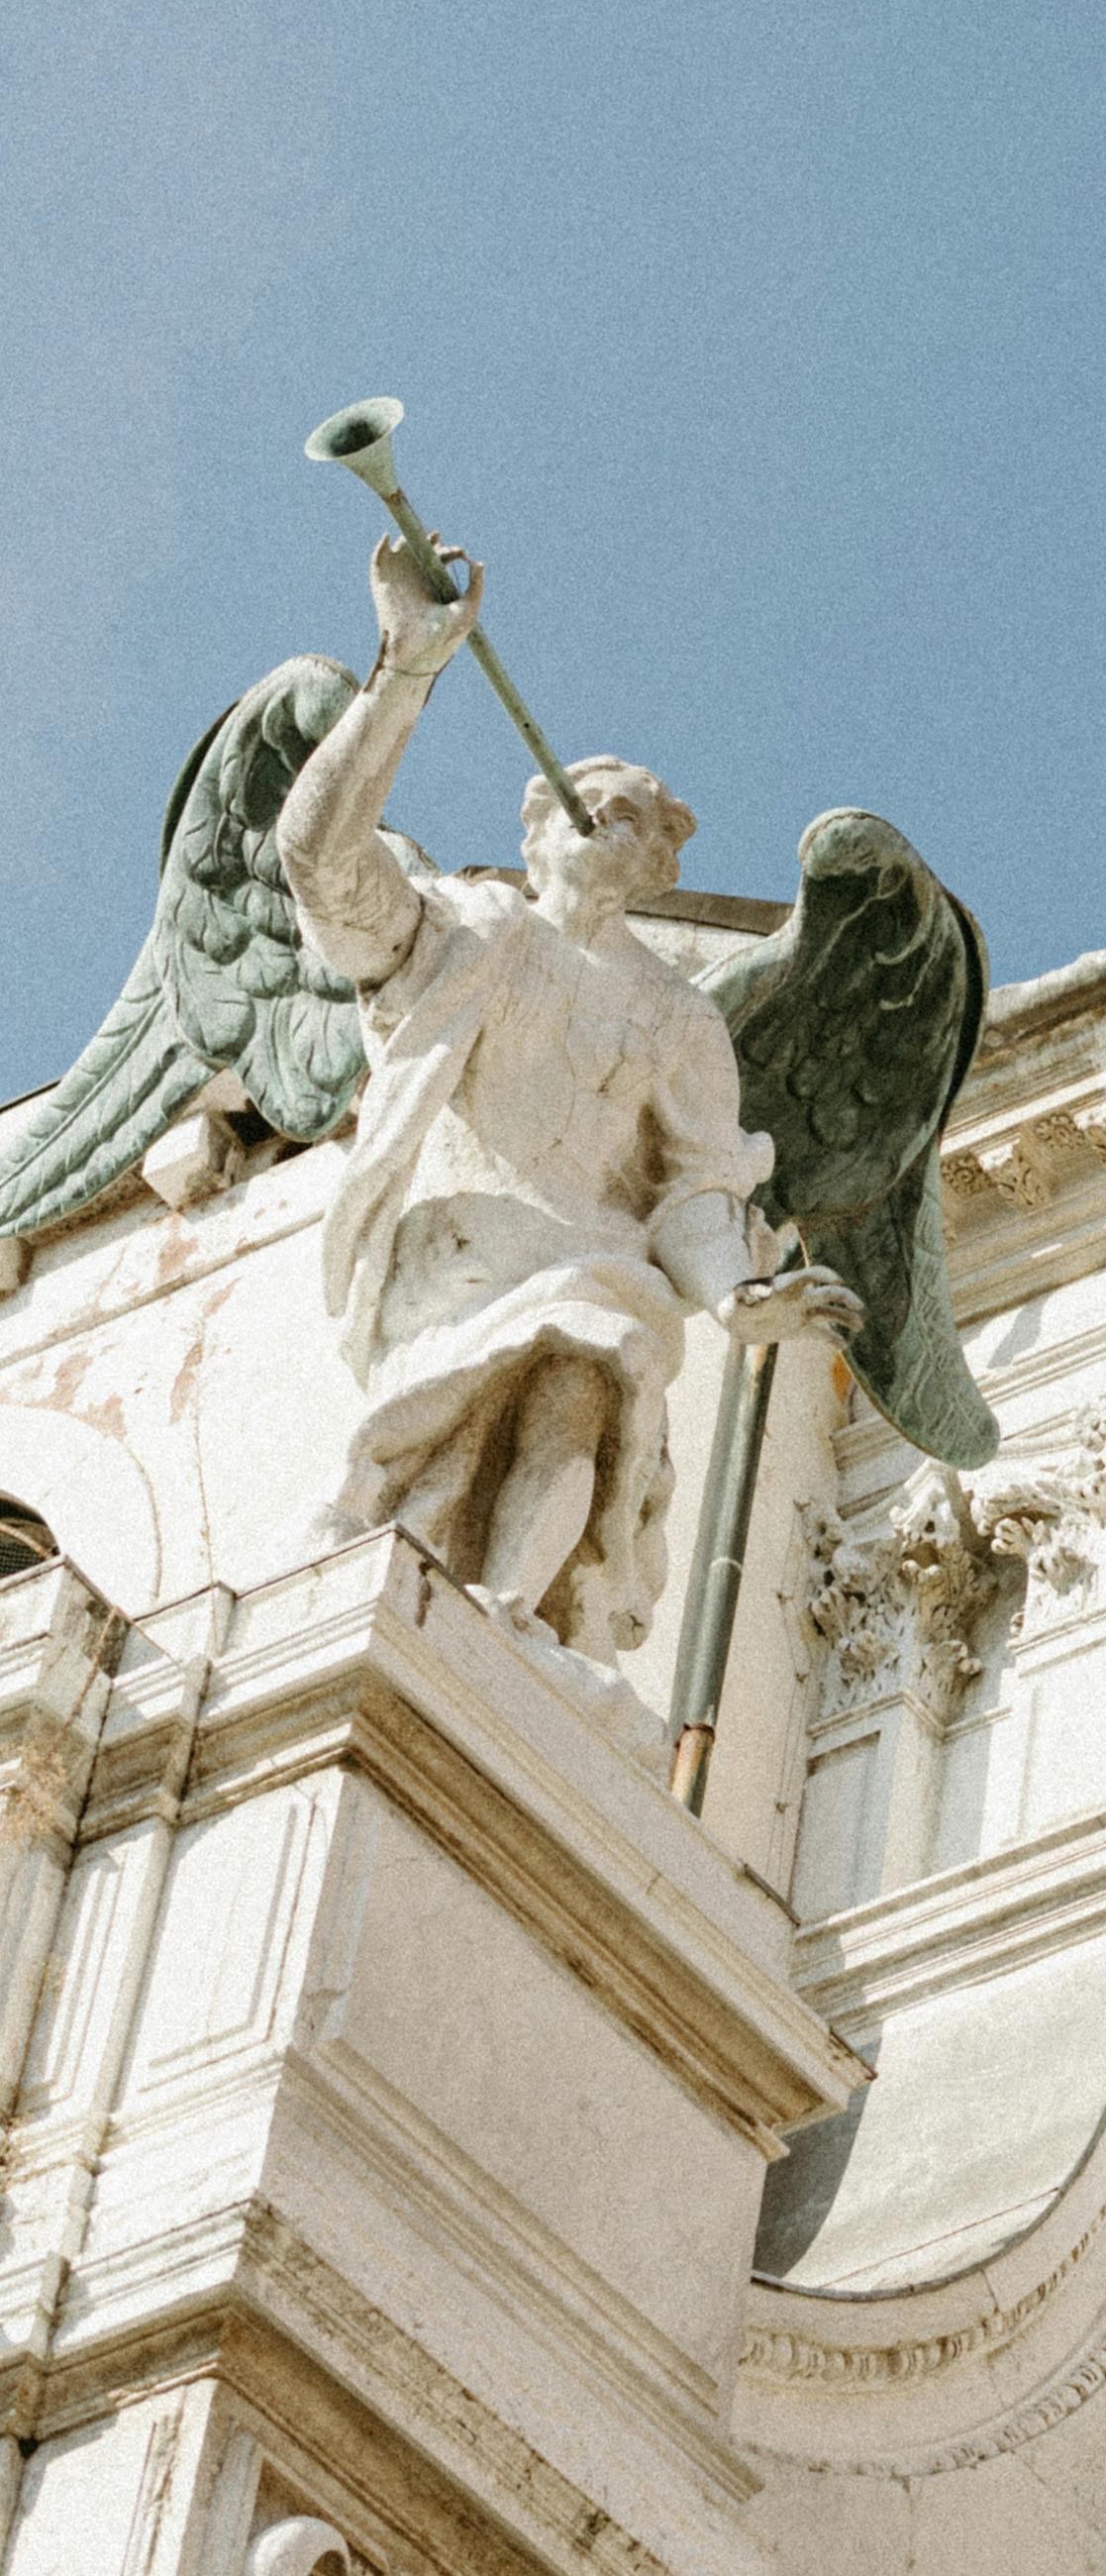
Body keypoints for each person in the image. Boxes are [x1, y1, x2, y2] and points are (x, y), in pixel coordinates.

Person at [277, 531, 842, 1717]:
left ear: (655, 862)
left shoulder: (679, 1016)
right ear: (536, 829)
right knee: (423, 1486)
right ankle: (437, 1602)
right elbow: (320, 866)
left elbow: (696, 1189)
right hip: (456, 1268)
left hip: (594, 1258)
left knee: (588, 1371)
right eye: (585, 802)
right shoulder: (468, 929)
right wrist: (404, 674)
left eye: (631, 815)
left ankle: (510, 1612)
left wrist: (735, 1296)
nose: (602, 818)